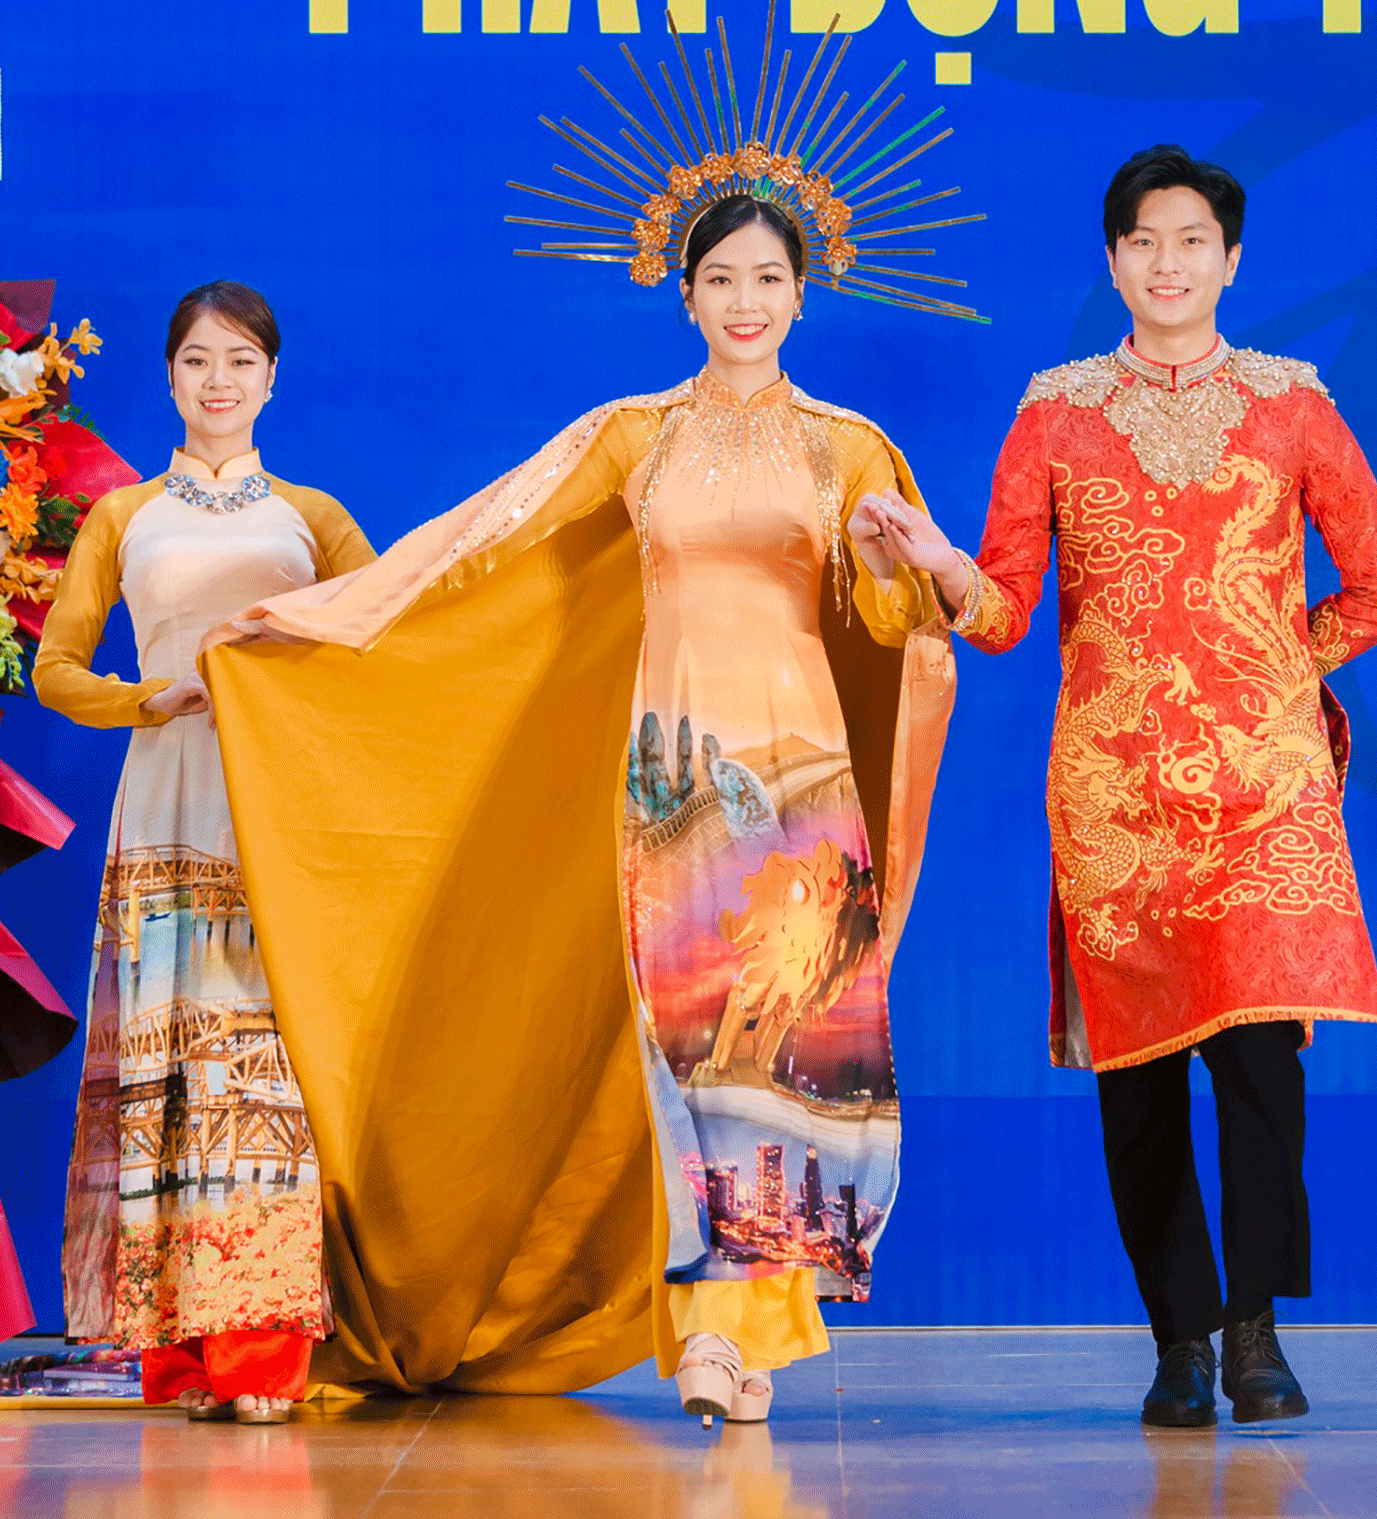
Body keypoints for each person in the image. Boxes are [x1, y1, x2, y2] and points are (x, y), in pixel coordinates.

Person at [198, 145, 965, 1420]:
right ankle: (714, 1334)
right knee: (686, 1049)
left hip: (800, 779)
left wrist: (922, 561)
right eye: (719, 277)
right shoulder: (635, 437)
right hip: (674, 776)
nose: (744, 302)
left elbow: (912, 619)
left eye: (768, 278)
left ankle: (742, 1335)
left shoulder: (847, 449)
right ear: (685, 294)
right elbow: (481, 537)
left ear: (802, 291)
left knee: (781, 1053)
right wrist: (323, 619)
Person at [855, 144, 1377, 1428]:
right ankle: (1177, 1338)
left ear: (1231, 259)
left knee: (1266, 1065)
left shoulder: (1293, 405)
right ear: (1110, 261)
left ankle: (1257, 1331)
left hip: (1262, 793)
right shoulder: (1053, 409)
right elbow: (999, 616)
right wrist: (939, 557)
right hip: (1112, 793)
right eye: (1143, 243)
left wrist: (1272, 659)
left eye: (1191, 242)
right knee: (1141, 1078)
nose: (1168, 264)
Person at [33, 281, 376, 1423]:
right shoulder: (122, 518)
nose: (218, 380)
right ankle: (179, 1349)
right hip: (167, 795)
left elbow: (385, 634)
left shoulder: (312, 516)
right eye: (197, 361)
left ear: (272, 378)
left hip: (276, 809)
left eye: (240, 360)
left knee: (262, 1080)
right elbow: (55, 669)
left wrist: (296, 662)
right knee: (172, 1080)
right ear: (169, 378)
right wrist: (150, 695)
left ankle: (262, 1353)